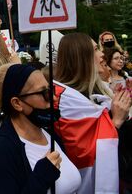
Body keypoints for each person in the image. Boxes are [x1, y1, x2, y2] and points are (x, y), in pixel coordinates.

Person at [0, 64, 81, 193]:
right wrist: (41, 177)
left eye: (51, 90)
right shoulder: (1, 147)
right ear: (17, 103)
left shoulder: (51, 133)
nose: (53, 98)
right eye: (44, 93)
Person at [56, 32, 131, 192]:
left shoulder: (99, 92)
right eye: (96, 49)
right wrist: (116, 122)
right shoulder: (67, 103)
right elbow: (85, 155)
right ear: (82, 57)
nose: (102, 54)